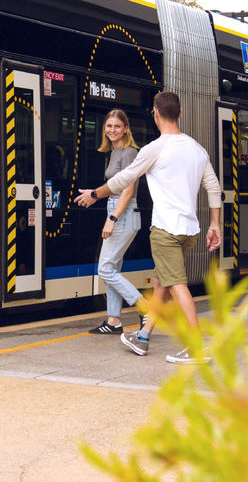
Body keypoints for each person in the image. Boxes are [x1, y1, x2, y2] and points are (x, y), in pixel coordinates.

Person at [74, 91, 222, 364]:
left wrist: (94, 194)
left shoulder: (154, 149)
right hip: (190, 230)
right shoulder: (197, 149)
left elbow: (124, 179)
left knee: (177, 286)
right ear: (179, 114)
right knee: (161, 283)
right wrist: (215, 224)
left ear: (155, 114)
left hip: (165, 230)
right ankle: (142, 337)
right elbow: (213, 187)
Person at [86, 109, 145, 335]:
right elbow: (116, 187)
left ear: (126, 128)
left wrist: (112, 219)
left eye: (117, 126)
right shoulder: (115, 151)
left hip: (123, 212)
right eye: (109, 126)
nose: (112, 130)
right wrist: (94, 194)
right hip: (119, 210)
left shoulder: (129, 152)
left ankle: (144, 306)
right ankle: (113, 321)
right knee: (113, 268)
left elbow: (129, 191)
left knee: (105, 269)